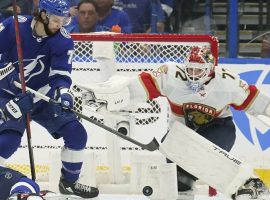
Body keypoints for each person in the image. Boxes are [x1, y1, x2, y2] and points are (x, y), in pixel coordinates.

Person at [84, 46, 270, 199]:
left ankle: (247, 185)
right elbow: (139, 87)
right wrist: (112, 97)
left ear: (211, 70)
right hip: (182, 133)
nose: (194, 75)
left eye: (199, 70)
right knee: (178, 175)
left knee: (202, 153)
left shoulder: (227, 83)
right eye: (190, 69)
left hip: (219, 127)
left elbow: (258, 102)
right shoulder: (171, 75)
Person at [0, 0, 99, 198]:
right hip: (9, 95)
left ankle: (69, 183)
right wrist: (6, 76)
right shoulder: (13, 27)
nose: (59, 25)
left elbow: (60, 75)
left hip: (42, 95)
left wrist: (63, 92)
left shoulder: (62, 39)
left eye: (64, 20)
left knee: (76, 133)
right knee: (7, 143)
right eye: (55, 20)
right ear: (43, 15)